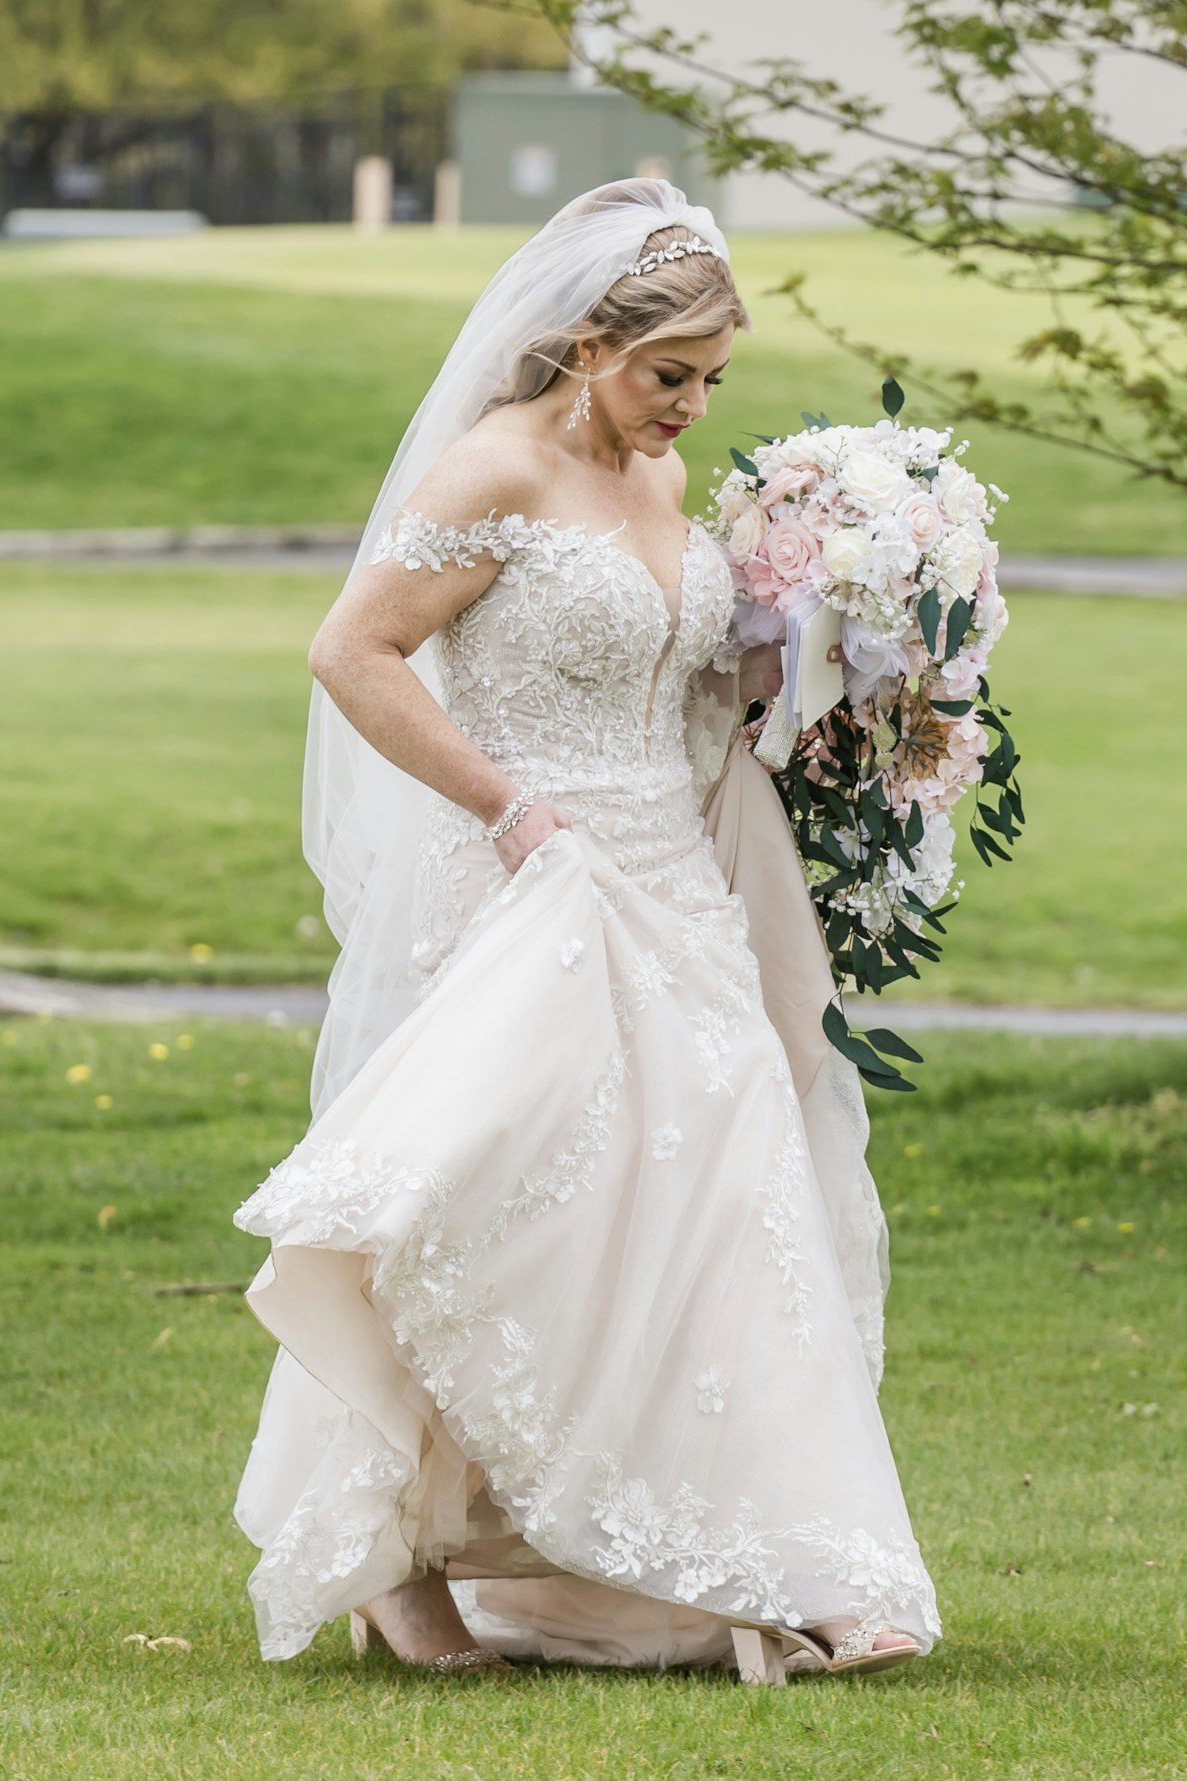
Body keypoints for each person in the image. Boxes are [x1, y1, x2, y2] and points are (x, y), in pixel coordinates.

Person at [230, 177, 940, 1685]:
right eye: (666, 374)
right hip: (521, 880)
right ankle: (400, 1561)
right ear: (581, 343)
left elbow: (678, 688)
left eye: (709, 381)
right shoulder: (491, 470)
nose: (690, 407)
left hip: (669, 874)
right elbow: (352, 652)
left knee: (723, 1189)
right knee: (487, 1211)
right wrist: (505, 809)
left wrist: (831, 684)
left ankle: (769, 1553)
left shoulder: (675, 492)